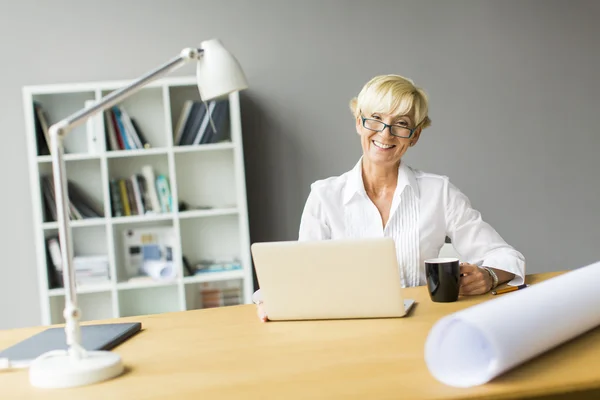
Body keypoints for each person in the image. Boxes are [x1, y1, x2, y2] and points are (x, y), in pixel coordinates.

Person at [253, 74, 525, 321]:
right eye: (376, 119)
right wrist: (272, 300)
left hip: (423, 327)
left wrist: (488, 276)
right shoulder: (324, 197)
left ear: (414, 136)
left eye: (401, 124)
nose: (386, 133)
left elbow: (504, 255)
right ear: (359, 122)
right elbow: (302, 273)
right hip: (347, 333)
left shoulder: (438, 192)